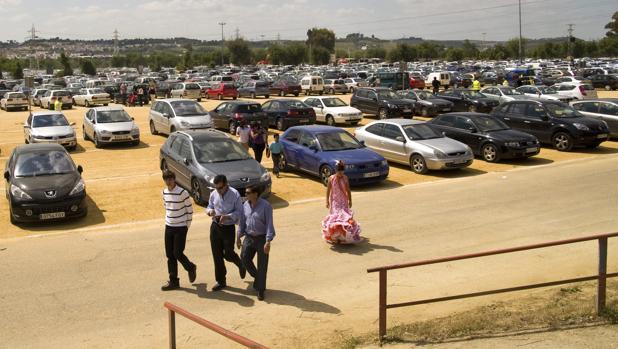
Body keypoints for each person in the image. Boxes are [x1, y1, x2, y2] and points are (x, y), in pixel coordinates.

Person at [206, 175, 246, 291]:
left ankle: (240, 263)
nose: (218, 190)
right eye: (216, 188)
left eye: (220, 188)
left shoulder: (235, 194)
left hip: (228, 228)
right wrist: (210, 211)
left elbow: (240, 212)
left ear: (226, 184)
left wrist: (228, 217)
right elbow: (209, 206)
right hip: (215, 227)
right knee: (217, 255)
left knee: (228, 253)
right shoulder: (214, 194)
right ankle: (221, 281)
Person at [237, 185, 275, 301]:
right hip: (248, 237)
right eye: (245, 193)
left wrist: (268, 241)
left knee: (262, 264)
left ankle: (260, 289)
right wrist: (238, 237)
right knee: (244, 257)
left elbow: (269, 224)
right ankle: (258, 278)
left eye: (248, 193)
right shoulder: (245, 206)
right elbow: (242, 222)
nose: (246, 195)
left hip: (262, 238)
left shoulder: (266, 206)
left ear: (255, 194)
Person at [161, 170, 196, 291]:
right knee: (170, 255)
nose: (168, 181)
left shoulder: (183, 192)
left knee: (177, 253)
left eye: (170, 179)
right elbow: (166, 207)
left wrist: (186, 226)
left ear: (174, 179)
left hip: (181, 227)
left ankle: (190, 267)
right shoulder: (164, 192)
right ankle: (173, 280)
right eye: (166, 179)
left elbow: (189, 210)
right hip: (169, 226)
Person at [322, 160, 361, 244]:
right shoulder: (331, 178)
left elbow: (348, 190)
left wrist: (350, 200)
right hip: (335, 202)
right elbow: (328, 190)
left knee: (344, 217)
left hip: (343, 201)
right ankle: (335, 236)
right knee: (336, 218)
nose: (341, 173)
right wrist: (327, 202)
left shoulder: (345, 178)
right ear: (336, 171)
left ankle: (344, 236)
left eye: (342, 171)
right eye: (339, 172)